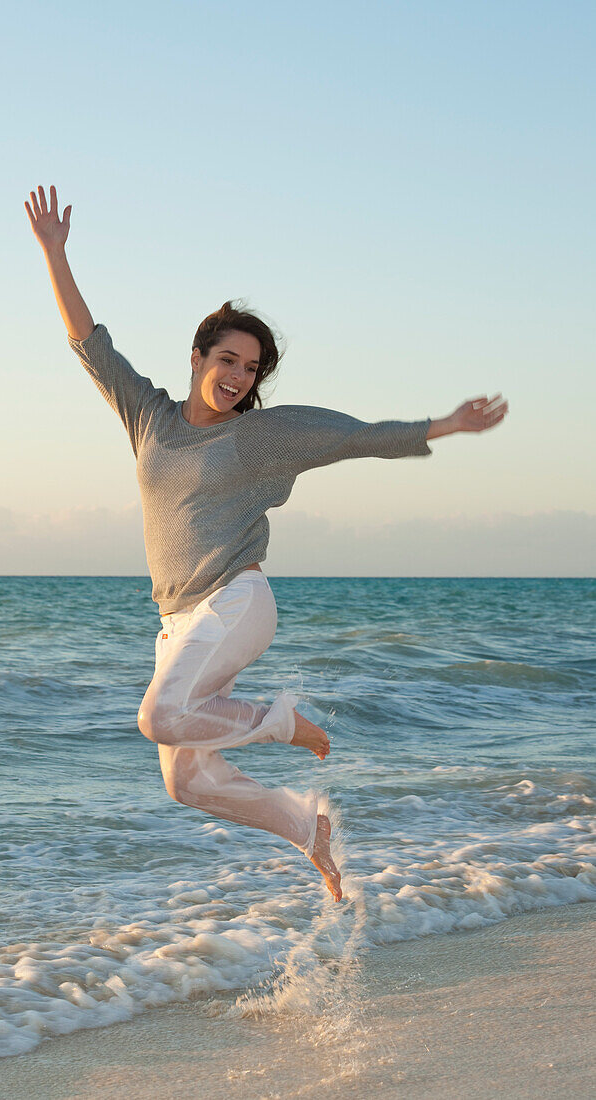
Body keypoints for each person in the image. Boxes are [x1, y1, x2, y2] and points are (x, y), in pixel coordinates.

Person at [25, 184, 508, 902]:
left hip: (237, 602)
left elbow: (351, 437)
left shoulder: (263, 435)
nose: (238, 377)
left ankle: (285, 723)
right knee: (187, 780)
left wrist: (442, 425)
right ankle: (304, 826)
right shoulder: (150, 417)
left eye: (251, 369)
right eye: (228, 360)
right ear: (198, 357)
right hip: (178, 622)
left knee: (157, 716)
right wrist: (54, 254)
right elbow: (90, 346)